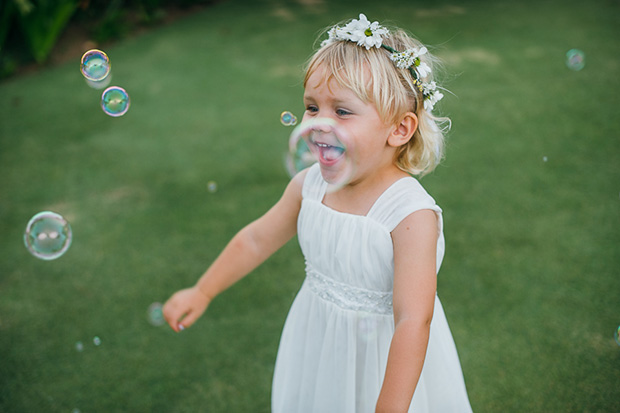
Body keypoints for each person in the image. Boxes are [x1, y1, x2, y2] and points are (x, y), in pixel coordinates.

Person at [163, 13, 473, 412]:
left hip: (387, 362)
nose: (321, 123)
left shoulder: (410, 214)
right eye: (312, 107)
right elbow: (257, 239)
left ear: (399, 129)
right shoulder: (310, 185)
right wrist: (203, 289)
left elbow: (414, 320)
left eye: (342, 111)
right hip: (319, 340)